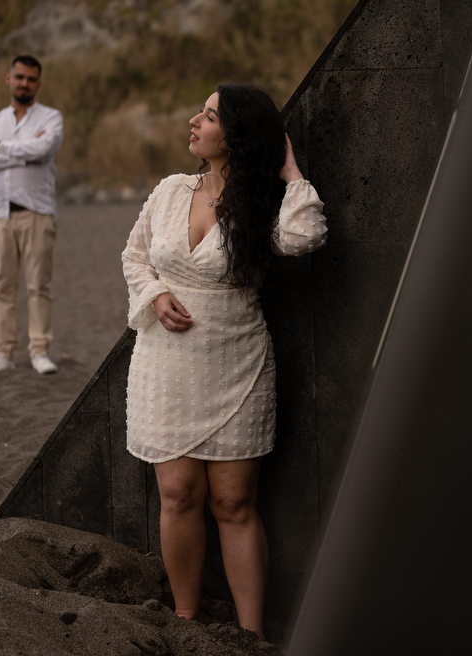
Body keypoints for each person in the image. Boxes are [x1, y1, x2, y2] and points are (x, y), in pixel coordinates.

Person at [121, 83, 326, 637]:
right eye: (201, 111)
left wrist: (290, 172)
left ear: (237, 136)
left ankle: (251, 634)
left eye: (209, 116)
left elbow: (306, 235)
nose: (194, 120)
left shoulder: (261, 203)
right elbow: (135, 257)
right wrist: (155, 295)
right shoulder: (170, 190)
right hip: (165, 364)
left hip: (236, 365)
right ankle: (187, 620)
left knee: (233, 503)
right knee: (177, 495)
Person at [0, 55, 63, 376]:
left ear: (39, 83)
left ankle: (40, 351)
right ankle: (3, 353)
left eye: (31, 79)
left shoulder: (51, 117)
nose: (25, 83)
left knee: (39, 286)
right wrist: (24, 152)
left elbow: (44, 150)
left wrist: (3, 147)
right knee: (2, 287)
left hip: (37, 213)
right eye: (20, 77)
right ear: (8, 79)